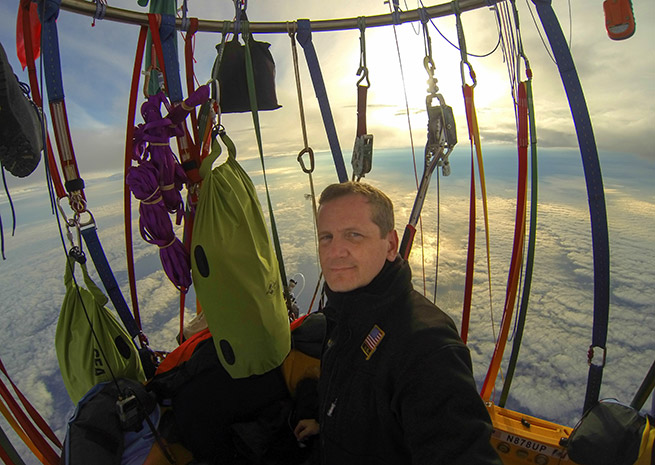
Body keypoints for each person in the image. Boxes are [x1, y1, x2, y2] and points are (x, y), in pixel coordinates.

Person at [313, 181, 502, 464]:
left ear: (390, 245)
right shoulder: (344, 314)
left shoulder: (426, 346)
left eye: (353, 235)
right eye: (326, 237)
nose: (334, 251)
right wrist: (325, 424)